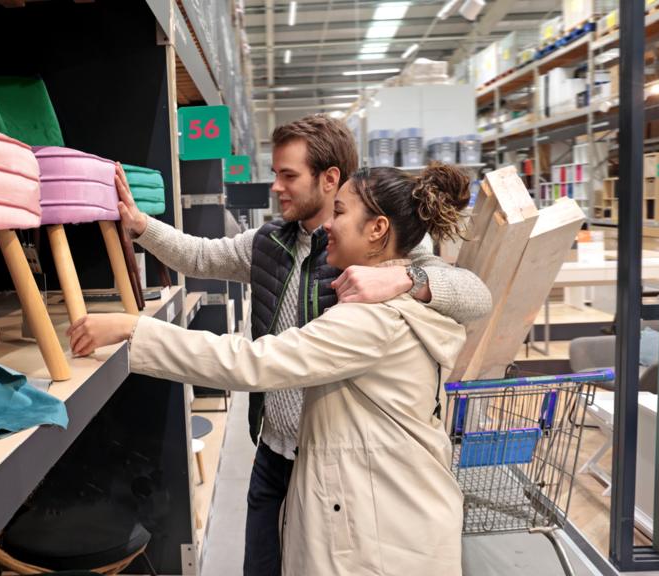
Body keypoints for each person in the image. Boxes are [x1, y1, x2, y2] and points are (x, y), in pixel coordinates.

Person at [112, 115, 490, 576]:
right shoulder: (270, 243)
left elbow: (474, 294)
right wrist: (139, 225)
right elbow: (199, 255)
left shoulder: (382, 258)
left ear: (329, 179)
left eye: (288, 175)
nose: (275, 187)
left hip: (345, 455)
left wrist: (407, 277)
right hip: (277, 448)